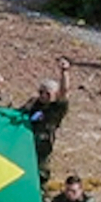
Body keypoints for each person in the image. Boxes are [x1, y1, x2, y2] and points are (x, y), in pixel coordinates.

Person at [25, 58, 73, 188]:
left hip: (43, 146)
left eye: (47, 93)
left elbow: (65, 91)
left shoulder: (56, 108)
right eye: (41, 92)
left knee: (40, 176)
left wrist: (64, 72)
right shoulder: (34, 104)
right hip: (25, 144)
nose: (43, 95)